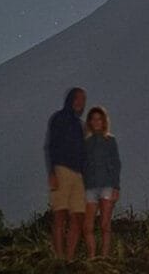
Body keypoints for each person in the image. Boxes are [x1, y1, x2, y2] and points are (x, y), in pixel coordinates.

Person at [44, 87, 87, 261]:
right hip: (61, 170)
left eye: (83, 100)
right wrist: (52, 171)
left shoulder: (79, 125)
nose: (81, 103)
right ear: (71, 100)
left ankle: (69, 257)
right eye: (78, 99)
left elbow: (83, 151)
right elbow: (51, 145)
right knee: (60, 214)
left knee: (78, 216)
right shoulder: (59, 119)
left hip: (78, 174)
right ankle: (59, 257)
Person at [82, 106, 121, 259]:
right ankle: (92, 257)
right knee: (88, 226)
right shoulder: (86, 143)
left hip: (107, 185)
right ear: (90, 122)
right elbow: (83, 166)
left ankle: (104, 257)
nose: (96, 122)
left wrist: (116, 186)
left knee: (105, 224)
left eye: (99, 119)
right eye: (93, 119)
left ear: (103, 121)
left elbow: (116, 164)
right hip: (90, 187)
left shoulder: (110, 140)